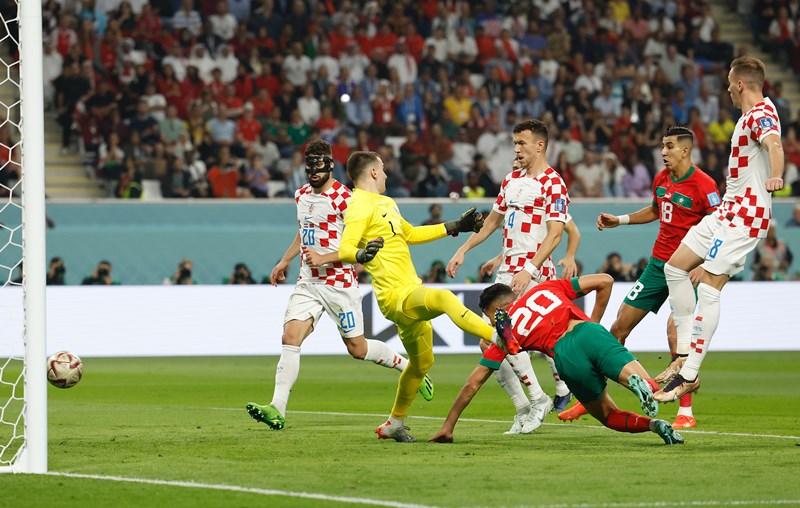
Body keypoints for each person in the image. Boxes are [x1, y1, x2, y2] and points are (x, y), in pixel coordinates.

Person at [246, 140, 433, 432]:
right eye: (309, 167)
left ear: (329, 165)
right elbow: (304, 230)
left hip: (339, 283)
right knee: (290, 336)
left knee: (357, 349)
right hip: (308, 281)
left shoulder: (347, 200)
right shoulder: (301, 196)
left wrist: (328, 257)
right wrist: (284, 261)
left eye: (319, 166)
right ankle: (277, 408)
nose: (314, 173)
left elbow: (355, 243)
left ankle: (404, 364)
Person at [561, 126, 720, 429]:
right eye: (662, 146)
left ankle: (685, 411)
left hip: (688, 269)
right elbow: (656, 210)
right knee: (618, 327)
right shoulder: (662, 179)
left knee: (677, 333)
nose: (663, 152)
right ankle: (592, 398)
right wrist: (619, 220)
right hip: (658, 266)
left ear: (686, 150)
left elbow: (720, 226)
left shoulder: (705, 185)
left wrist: (706, 263)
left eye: (670, 146)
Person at [336, 150, 495, 442]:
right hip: (396, 296)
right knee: (445, 299)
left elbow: (409, 234)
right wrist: (360, 253)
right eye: (382, 169)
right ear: (372, 173)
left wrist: (454, 227)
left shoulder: (386, 202)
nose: (385, 174)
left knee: (422, 364)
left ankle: (394, 424)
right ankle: (500, 338)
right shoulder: (358, 204)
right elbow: (345, 248)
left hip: (409, 292)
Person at [656, 56, 785, 402]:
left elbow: (774, 144)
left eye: (730, 82)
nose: (727, 88)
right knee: (675, 267)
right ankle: (684, 353)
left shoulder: (761, 114)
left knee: (710, 288)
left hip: (744, 217)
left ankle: (690, 373)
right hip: (727, 212)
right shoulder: (748, 116)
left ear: (740, 84)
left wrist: (776, 174)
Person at [428, 276, 684, 446]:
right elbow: (605, 281)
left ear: (496, 312)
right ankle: (637, 381)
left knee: (608, 415)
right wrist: (594, 322)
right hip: (590, 333)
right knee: (649, 385)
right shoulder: (545, 288)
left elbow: (473, 384)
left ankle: (654, 425)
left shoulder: (505, 333)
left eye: (490, 317)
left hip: (565, 357)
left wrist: (448, 426)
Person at [445, 120, 575, 434]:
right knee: (488, 343)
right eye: (515, 143)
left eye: (522, 143)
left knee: (509, 340)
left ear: (540, 145)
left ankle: (541, 398)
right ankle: (528, 405)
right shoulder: (511, 180)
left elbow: (556, 234)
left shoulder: (553, 183)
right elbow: (492, 223)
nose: (516, 149)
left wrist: (529, 269)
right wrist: (463, 248)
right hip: (508, 272)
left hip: (534, 273)